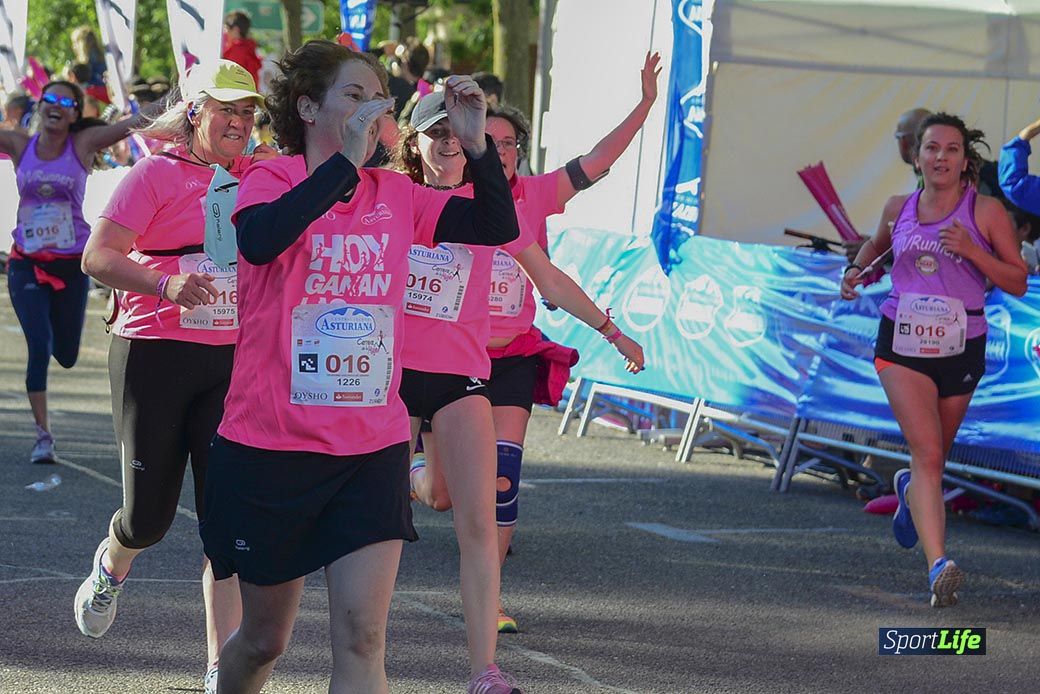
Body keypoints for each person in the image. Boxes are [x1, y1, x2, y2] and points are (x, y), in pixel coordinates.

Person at [198, 40, 519, 694]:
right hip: (271, 447)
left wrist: (477, 145)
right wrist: (342, 162)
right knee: (264, 641)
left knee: (365, 638)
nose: (374, 107)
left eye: (381, 97)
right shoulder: (271, 177)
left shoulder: (396, 194)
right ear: (309, 106)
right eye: (356, 94)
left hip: (370, 448)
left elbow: (493, 223)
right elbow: (259, 240)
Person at [391, 91, 645, 690]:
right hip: (392, 379)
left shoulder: (492, 208)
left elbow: (550, 281)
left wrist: (614, 333)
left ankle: (485, 670)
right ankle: (362, 658)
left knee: (480, 521)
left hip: (464, 380)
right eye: (438, 134)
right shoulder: (389, 197)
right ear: (413, 142)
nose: (451, 144)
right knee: (379, 525)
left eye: (461, 135)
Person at [75, 61, 275, 694]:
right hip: (153, 351)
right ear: (196, 113)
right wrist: (166, 283)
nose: (241, 123)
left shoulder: (259, 177)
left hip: (229, 361)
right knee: (151, 517)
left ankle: (222, 667)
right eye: (227, 111)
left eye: (248, 112)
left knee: (226, 519)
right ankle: (113, 562)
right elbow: (97, 256)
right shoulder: (155, 173)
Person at [841, 113, 1026, 608]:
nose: (940, 157)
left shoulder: (985, 212)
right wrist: (856, 271)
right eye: (931, 148)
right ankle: (938, 566)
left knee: (933, 457)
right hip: (901, 342)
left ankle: (907, 492)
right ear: (916, 157)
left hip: (961, 345)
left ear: (966, 161)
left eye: (951, 149)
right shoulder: (897, 207)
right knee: (927, 454)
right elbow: (875, 249)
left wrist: (974, 252)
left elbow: (1017, 280)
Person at [0, 80, 151, 464]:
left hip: (70, 264)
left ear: (73, 114)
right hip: (27, 263)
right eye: (50, 98)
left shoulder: (81, 146)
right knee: (39, 344)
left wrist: (178, 99)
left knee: (65, 354)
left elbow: (132, 123)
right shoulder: (21, 145)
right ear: (40, 105)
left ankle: (52, 337)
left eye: (67, 102)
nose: (57, 105)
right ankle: (43, 436)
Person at [843, 107, 933, 263]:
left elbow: (929, 244)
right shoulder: (926, 181)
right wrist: (876, 246)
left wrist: (881, 250)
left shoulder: (935, 185)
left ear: (904, 142)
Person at [223, 11, 263, 89]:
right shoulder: (249, 48)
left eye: (227, 29)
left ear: (235, 30)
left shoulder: (237, 51)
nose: (225, 33)